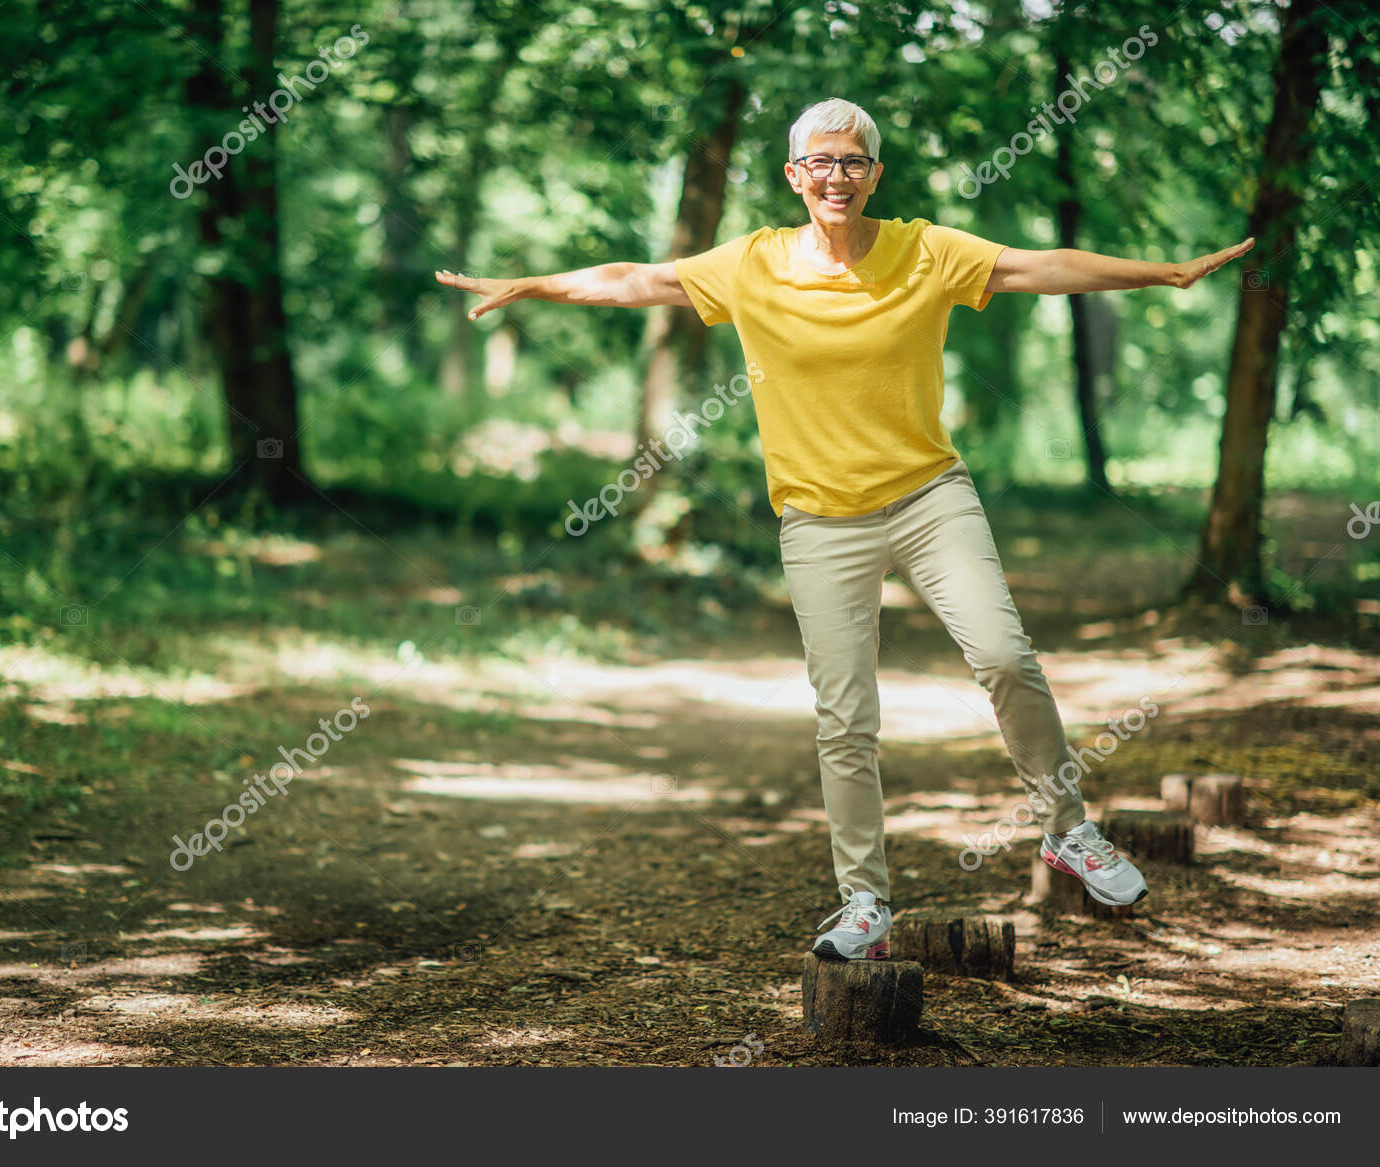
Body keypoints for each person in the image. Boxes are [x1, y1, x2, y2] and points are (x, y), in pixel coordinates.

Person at [436, 97, 1254, 961]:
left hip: (929, 496)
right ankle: (865, 899)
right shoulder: (751, 264)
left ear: (874, 174)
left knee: (1006, 658)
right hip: (820, 520)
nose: (837, 176)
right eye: (821, 162)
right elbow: (638, 279)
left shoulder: (926, 250)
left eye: (853, 161)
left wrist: (1162, 273)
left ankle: (1066, 829)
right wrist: (529, 285)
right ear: (795, 175)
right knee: (846, 719)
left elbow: (1041, 265)